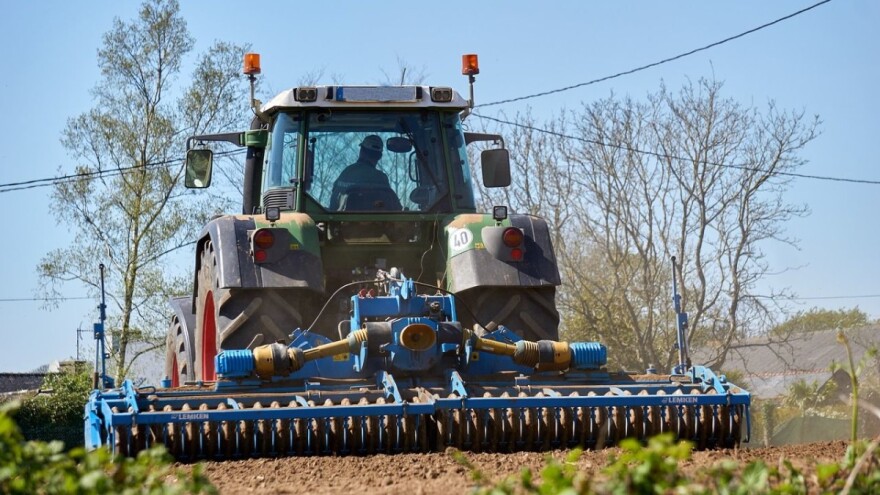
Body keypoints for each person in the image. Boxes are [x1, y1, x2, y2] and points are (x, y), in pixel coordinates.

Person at [329, 135, 402, 211]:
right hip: (373, 222)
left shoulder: (345, 173)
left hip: (339, 221)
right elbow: (393, 208)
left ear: (361, 151)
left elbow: (334, 204)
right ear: (379, 156)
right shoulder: (381, 178)